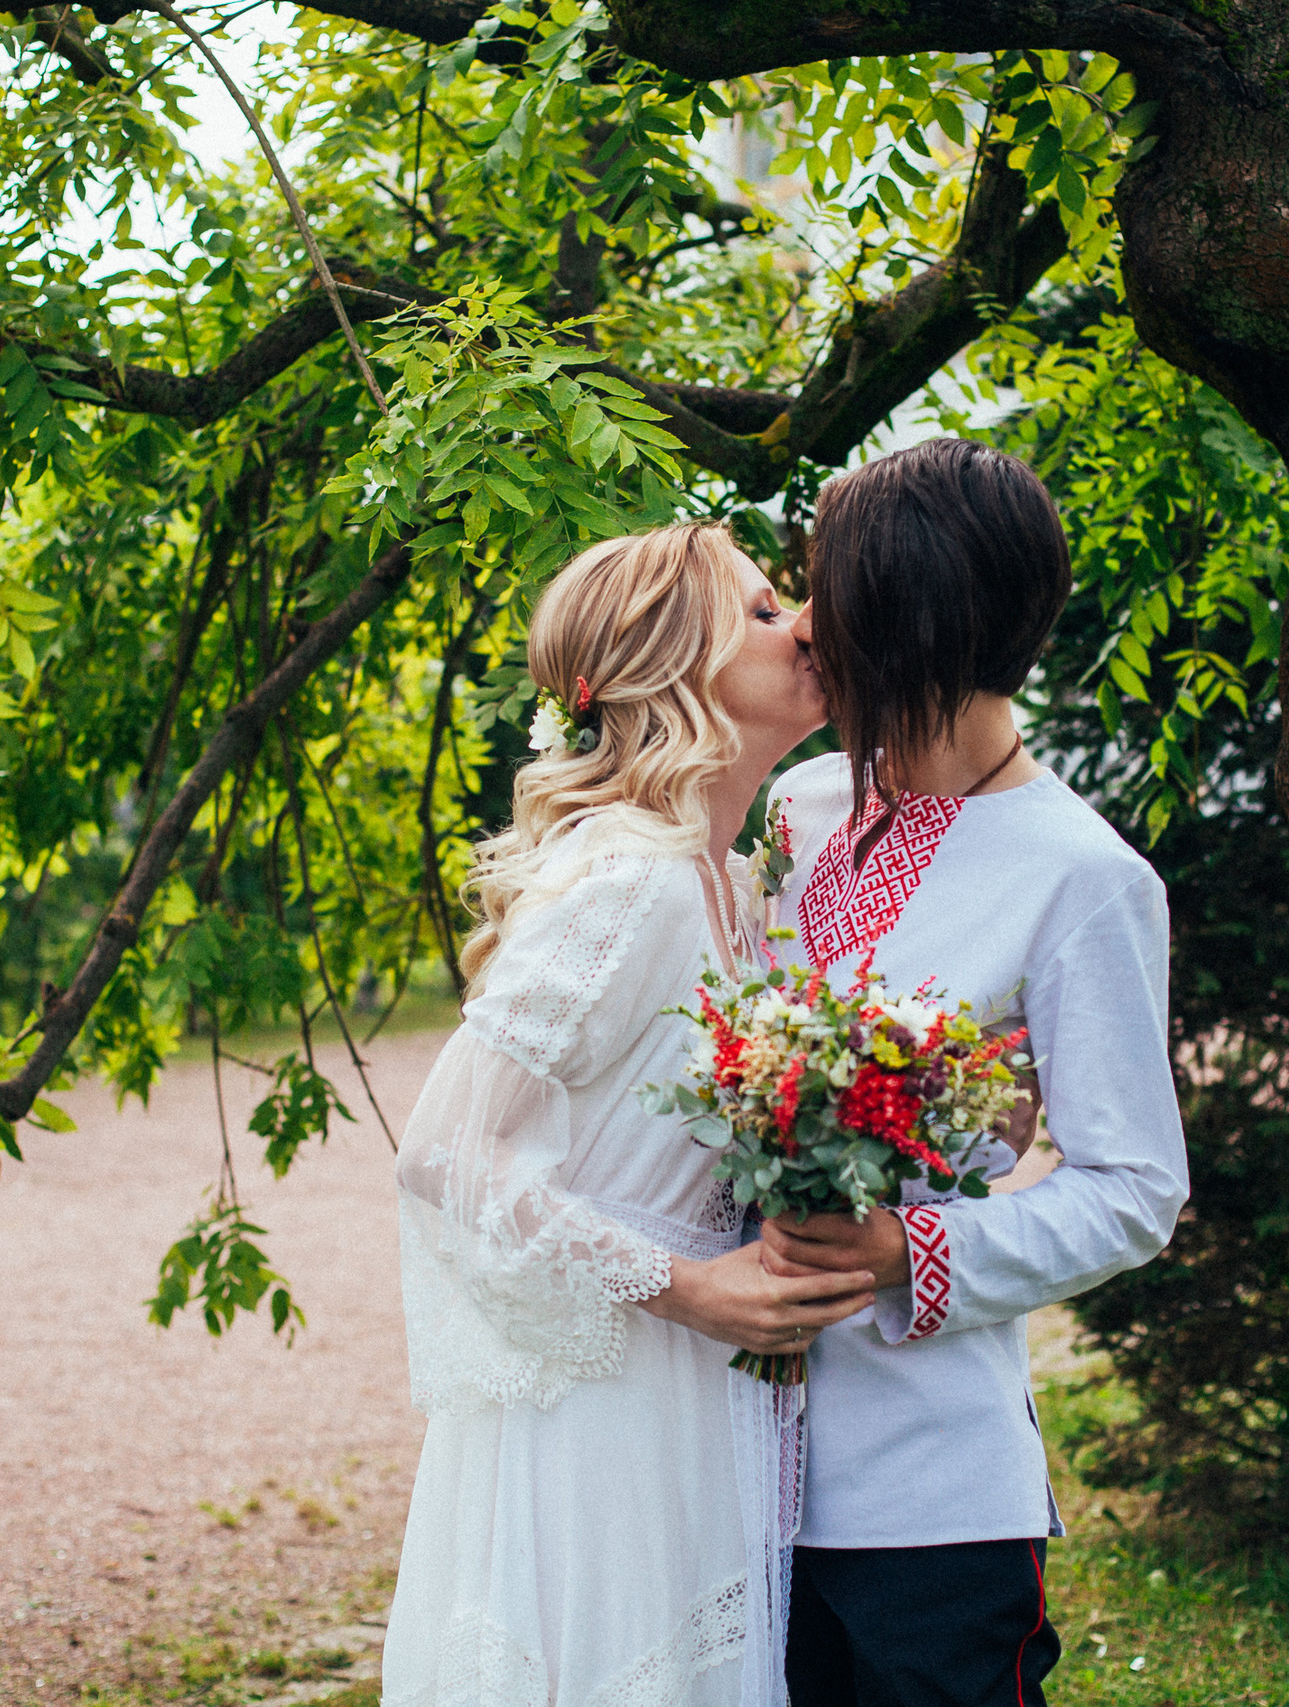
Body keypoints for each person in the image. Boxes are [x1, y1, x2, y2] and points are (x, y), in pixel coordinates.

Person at [384, 521, 862, 1707]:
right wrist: (691, 1289)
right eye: (759, 611)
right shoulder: (630, 877)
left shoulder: (730, 882)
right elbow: (446, 1154)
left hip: (697, 1395)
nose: (802, 620)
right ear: (674, 671)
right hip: (606, 1402)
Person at [759, 438, 1191, 1705]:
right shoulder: (798, 811)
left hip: (928, 1491)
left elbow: (1131, 1187)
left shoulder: (1082, 875)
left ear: (907, 621)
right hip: (732, 1462)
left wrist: (911, 1251)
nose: (803, 626)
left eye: (827, 593)